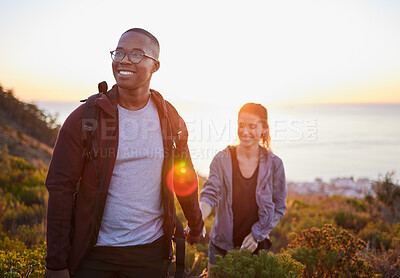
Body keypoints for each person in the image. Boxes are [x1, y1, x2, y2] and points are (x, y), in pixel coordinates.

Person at [44, 28, 204, 278]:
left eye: (137, 54)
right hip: (93, 255)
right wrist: (55, 264)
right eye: (119, 53)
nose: (124, 60)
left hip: (150, 255)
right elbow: (60, 188)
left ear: (155, 66)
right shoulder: (85, 119)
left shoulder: (169, 118)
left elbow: (183, 176)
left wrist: (195, 225)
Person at [200, 103, 287, 269]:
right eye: (241, 125)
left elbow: (279, 207)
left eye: (252, 126)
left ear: (264, 129)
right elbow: (210, 194)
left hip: (256, 246)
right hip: (221, 245)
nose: (245, 131)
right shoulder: (222, 159)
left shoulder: (275, 164)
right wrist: (197, 218)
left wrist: (257, 234)